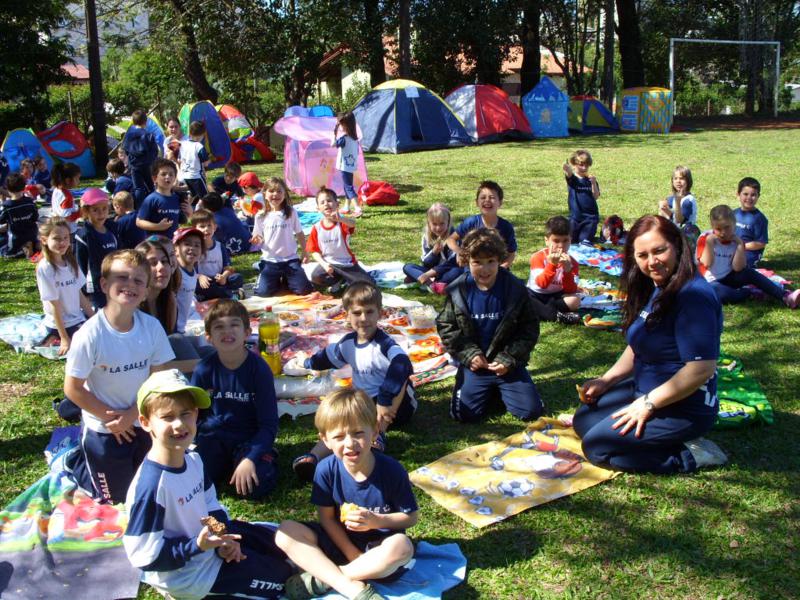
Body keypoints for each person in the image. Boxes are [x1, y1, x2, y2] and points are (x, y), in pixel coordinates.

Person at [574, 215, 727, 474]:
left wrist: (647, 404)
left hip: (683, 406)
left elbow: (701, 369)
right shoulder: (658, 285)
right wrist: (607, 380)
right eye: (642, 255)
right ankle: (650, 432)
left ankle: (691, 455)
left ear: (677, 247)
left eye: (659, 251)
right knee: (585, 420)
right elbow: (638, 345)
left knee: (597, 448)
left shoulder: (693, 297)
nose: (652, 262)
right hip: (644, 389)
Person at [124, 369, 292, 599]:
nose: (179, 424)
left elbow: (210, 503)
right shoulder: (152, 487)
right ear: (145, 422)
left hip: (209, 546)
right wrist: (196, 546)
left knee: (280, 541)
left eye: (186, 414)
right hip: (191, 575)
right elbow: (144, 556)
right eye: (167, 417)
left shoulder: (192, 458)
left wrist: (223, 538)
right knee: (286, 578)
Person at [275, 388, 417, 600]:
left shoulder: (391, 471)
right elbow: (327, 519)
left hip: (377, 549)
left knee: (402, 547)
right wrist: (352, 554)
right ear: (325, 440)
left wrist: (376, 521)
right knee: (285, 531)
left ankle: (325, 578)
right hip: (339, 542)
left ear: (375, 431)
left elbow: (411, 518)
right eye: (339, 436)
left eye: (358, 433)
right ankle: (349, 582)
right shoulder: (325, 470)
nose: (350, 443)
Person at [64, 249, 174, 503]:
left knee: (152, 492)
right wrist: (112, 418)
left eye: (138, 280)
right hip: (105, 427)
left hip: (143, 420)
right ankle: (77, 463)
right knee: (116, 500)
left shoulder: (151, 327)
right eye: (121, 277)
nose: (129, 285)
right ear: (104, 284)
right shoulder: (90, 335)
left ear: (146, 291)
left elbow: (162, 377)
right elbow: (73, 389)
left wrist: (133, 414)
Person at [287, 282, 416, 482]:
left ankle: (377, 438)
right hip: (363, 402)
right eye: (357, 313)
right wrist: (305, 362)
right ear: (347, 315)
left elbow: (402, 365)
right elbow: (325, 358)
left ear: (379, 313)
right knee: (340, 416)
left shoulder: (385, 344)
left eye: (369, 312)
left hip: (395, 406)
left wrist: (384, 398)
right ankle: (312, 457)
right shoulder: (347, 343)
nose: (363, 319)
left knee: (366, 410)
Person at [437, 228, 543, 423]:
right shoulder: (458, 290)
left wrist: (509, 358)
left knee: (530, 412)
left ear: (499, 260)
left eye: (490, 262)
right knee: (464, 415)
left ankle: (502, 389)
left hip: (507, 363)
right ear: (466, 261)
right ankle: (480, 386)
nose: (484, 269)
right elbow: (446, 326)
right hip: (476, 364)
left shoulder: (515, 288)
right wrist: (468, 354)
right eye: (477, 262)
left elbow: (529, 328)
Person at [190, 300, 279, 499]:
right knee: (195, 481)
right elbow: (195, 414)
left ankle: (261, 458)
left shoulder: (259, 370)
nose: (226, 331)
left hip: (249, 438)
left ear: (247, 333)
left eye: (234, 325)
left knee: (256, 485)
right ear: (209, 337)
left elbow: (269, 424)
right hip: (214, 437)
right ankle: (221, 466)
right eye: (219, 327)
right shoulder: (203, 369)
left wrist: (250, 457)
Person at [697, 205, 800, 307]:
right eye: (718, 229)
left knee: (749, 272)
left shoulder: (736, 241)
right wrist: (710, 243)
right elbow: (707, 263)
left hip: (728, 277)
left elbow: (738, 268)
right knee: (719, 294)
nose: (723, 233)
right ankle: (749, 292)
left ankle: (786, 296)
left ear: (734, 225)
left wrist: (740, 245)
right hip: (709, 281)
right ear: (712, 226)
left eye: (727, 227)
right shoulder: (705, 238)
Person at [136, 236, 210, 373]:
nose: (161, 267)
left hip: (165, 360)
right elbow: (147, 367)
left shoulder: (168, 299)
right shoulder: (133, 309)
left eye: (165, 261)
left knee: (215, 352)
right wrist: (201, 365)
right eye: (152, 263)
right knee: (177, 340)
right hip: (147, 373)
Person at [439, 181, 517, 288]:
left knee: (511, 285)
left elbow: (511, 253)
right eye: (483, 197)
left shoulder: (506, 227)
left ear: (500, 203)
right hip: (473, 268)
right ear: (476, 202)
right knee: (450, 278)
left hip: (496, 269)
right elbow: (450, 239)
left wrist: (503, 267)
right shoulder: (471, 222)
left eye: (492, 197)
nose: (487, 201)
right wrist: (460, 252)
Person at [36, 217, 94, 355]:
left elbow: (79, 295)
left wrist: (95, 318)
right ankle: (54, 336)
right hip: (60, 324)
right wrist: (64, 338)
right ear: (44, 240)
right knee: (90, 345)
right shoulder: (45, 268)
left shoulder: (70, 262)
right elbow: (54, 305)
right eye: (56, 238)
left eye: (65, 237)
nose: (62, 242)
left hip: (77, 318)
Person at [251, 177, 313, 297]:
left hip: (290, 260)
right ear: (264, 193)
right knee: (262, 293)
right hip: (270, 261)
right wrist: (256, 239)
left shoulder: (291, 212)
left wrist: (305, 252)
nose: (275, 194)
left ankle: (287, 278)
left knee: (304, 290)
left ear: (285, 194)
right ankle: (262, 268)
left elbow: (299, 233)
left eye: (279, 191)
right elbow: (257, 235)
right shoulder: (260, 216)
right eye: (271, 191)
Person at [306, 187, 373, 293]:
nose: (326, 204)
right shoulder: (317, 228)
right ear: (318, 208)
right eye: (322, 202)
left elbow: (353, 224)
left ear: (337, 204)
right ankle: (337, 280)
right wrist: (324, 264)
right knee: (315, 277)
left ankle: (346, 279)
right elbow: (314, 251)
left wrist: (341, 219)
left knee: (367, 286)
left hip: (347, 264)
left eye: (329, 201)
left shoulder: (342, 223)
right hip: (329, 264)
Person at [527, 215, 582, 325]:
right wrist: (552, 264)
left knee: (575, 300)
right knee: (522, 297)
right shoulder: (538, 257)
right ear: (547, 241)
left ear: (571, 240)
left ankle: (542, 311)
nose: (561, 246)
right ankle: (556, 316)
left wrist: (567, 271)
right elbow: (541, 284)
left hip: (556, 297)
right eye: (556, 241)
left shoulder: (573, 262)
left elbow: (570, 290)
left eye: (565, 240)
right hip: (535, 294)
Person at [76, 188, 119, 310]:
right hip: (95, 286)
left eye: (104, 209)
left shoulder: (112, 229)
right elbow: (80, 264)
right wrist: (85, 290)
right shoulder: (83, 235)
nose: (101, 213)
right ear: (86, 211)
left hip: (114, 280)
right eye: (95, 210)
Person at [189, 208, 244, 300]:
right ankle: (228, 294)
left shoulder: (220, 246)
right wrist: (200, 277)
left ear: (215, 227)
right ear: (195, 229)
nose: (206, 229)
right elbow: (190, 271)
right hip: (204, 282)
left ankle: (216, 294)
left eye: (209, 226)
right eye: (202, 226)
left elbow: (228, 267)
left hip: (219, 280)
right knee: (195, 284)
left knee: (237, 278)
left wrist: (224, 276)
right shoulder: (194, 248)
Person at [402, 202, 456, 294]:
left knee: (457, 271)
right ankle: (431, 284)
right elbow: (425, 262)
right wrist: (434, 253)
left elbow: (452, 262)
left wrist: (429, 274)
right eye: (434, 224)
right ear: (429, 223)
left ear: (448, 222)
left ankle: (421, 279)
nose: (438, 228)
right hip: (430, 270)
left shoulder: (454, 236)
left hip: (446, 271)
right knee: (407, 267)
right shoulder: (427, 237)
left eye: (442, 224)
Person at [136, 158, 191, 238]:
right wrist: (158, 226)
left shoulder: (177, 198)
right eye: (163, 174)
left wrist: (189, 212)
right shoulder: (151, 199)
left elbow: (182, 221)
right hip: (155, 244)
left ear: (175, 178)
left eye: (171, 174)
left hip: (172, 244)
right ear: (155, 179)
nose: (167, 177)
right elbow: (139, 222)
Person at [562, 149, 600, 244]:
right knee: (571, 242)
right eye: (581, 165)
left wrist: (594, 183)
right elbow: (569, 174)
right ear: (574, 164)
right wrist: (567, 169)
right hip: (575, 218)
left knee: (584, 243)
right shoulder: (573, 179)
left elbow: (595, 196)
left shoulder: (590, 179)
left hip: (590, 218)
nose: (584, 168)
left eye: (586, 165)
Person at [123, 109, 159, 207]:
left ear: (133, 121)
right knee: (151, 185)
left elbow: (125, 148)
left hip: (134, 165)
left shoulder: (128, 134)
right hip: (147, 164)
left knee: (138, 187)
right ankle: (154, 204)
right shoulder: (148, 135)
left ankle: (139, 207)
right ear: (146, 121)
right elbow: (154, 151)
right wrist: (151, 161)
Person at [172, 226, 205, 333]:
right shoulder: (174, 273)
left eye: (197, 245)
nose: (192, 248)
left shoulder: (193, 271)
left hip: (183, 327)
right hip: (173, 330)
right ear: (175, 248)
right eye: (187, 244)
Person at [198, 191, 251, 256]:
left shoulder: (210, 220)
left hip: (228, 250)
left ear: (205, 206)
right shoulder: (228, 210)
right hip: (247, 244)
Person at [0, 172, 39, 257]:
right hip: (32, 233)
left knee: (3, 251)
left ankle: (21, 250)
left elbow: (1, 219)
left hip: (16, 238)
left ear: (8, 189)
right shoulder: (30, 202)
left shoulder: (7, 206)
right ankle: (34, 244)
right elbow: (35, 217)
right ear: (23, 188)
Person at [733, 177, 768, 267]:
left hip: (749, 252)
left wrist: (742, 246)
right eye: (745, 194)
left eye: (753, 195)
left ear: (758, 196)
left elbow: (761, 243)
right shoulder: (732, 214)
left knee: (737, 267)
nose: (749, 198)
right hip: (732, 248)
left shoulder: (759, 219)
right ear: (738, 194)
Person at [332, 111, 361, 216]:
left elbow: (333, 144)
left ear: (345, 125)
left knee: (348, 187)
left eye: (341, 124)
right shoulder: (354, 139)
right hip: (351, 166)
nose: (340, 127)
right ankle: (347, 206)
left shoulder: (344, 139)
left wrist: (334, 134)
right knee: (347, 186)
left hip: (344, 166)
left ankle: (357, 208)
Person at [180, 121, 211, 203]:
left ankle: (186, 210)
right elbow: (205, 163)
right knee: (205, 197)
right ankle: (205, 213)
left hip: (186, 175)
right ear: (203, 134)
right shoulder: (199, 146)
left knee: (192, 194)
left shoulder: (183, 144)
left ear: (190, 132)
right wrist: (210, 159)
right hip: (196, 176)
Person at [50, 163, 81, 235]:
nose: (79, 181)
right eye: (77, 178)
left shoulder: (56, 189)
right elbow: (67, 218)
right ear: (68, 180)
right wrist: (81, 212)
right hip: (69, 230)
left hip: (58, 226)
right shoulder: (67, 197)